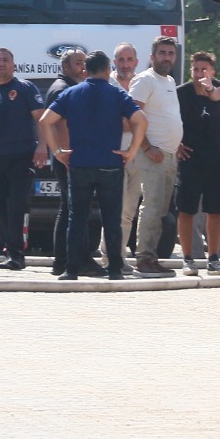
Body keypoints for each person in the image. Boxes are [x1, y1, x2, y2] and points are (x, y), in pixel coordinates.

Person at [38, 50, 147, 281]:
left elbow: (45, 121)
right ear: (108, 70)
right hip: (110, 163)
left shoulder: (71, 93)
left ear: (85, 71)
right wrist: (131, 151)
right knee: (112, 218)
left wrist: (57, 152)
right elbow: (141, 120)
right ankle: (115, 269)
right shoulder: (117, 94)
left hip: (79, 163)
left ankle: (71, 269)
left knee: (76, 218)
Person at [0, 47, 48, 270]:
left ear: (14, 65)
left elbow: (41, 118)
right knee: (0, 206)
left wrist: (42, 145)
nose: (1, 64)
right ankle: (7, 250)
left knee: (16, 205)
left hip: (21, 156)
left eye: (6, 60)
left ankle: (17, 254)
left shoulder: (25, 88)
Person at [127, 36, 182, 277]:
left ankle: (152, 257)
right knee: (150, 208)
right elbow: (131, 115)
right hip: (151, 155)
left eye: (171, 53)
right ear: (152, 57)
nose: (167, 57)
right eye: (162, 53)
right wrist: (148, 147)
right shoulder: (145, 79)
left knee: (160, 210)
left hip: (168, 156)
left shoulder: (169, 80)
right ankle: (144, 259)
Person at [45, 48, 102, 277]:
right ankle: (78, 260)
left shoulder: (69, 87)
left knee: (70, 208)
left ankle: (63, 260)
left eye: (85, 63)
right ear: (65, 67)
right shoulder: (63, 89)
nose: (83, 68)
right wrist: (67, 155)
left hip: (68, 156)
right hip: (70, 158)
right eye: (79, 63)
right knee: (76, 210)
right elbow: (60, 125)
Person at [176, 51, 220, 275]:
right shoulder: (181, 93)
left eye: (204, 70)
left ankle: (214, 258)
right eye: (195, 69)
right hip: (189, 156)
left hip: (216, 156)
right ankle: (188, 258)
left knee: (215, 209)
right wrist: (176, 143)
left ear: (212, 72)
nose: (199, 74)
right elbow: (170, 119)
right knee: (186, 208)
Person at [111, 42, 142, 276]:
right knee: (114, 209)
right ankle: (110, 256)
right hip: (113, 154)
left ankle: (120, 256)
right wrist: (137, 122)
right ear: (114, 62)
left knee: (129, 210)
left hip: (137, 154)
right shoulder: (108, 85)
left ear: (136, 62)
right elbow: (115, 122)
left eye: (129, 60)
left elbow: (145, 120)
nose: (125, 64)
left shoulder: (143, 84)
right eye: (121, 60)